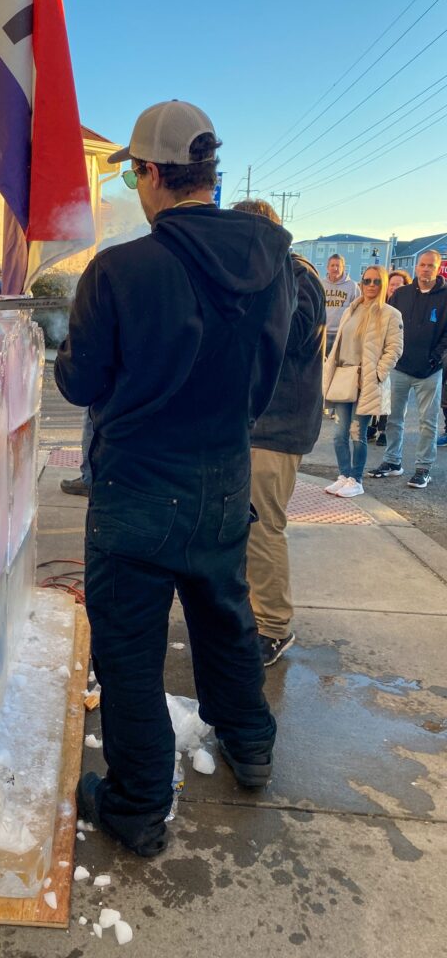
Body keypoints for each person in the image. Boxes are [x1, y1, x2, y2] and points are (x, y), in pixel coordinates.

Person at [55, 100, 295, 857]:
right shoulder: (272, 264)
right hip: (222, 479)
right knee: (225, 622)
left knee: (128, 654)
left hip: (135, 496)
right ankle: (251, 746)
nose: (133, 183)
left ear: (154, 175)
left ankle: (136, 807)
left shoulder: (120, 270)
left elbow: (82, 383)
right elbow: (262, 383)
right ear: (210, 175)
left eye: (132, 171)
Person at [233, 199, 325, 668]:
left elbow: (291, 332)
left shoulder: (296, 276)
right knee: (246, 526)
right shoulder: (274, 275)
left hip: (277, 426)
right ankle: (254, 614)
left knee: (263, 527)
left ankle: (272, 626)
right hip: (257, 423)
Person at [323, 266, 403, 497]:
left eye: (376, 281)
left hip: (366, 380)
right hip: (343, 376)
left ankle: (356, 479)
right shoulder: (352, 309)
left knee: (359, 432)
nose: (370, 285)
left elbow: (394, 349)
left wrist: (378, 374)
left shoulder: (390, 314)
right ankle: (344, 474)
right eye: (366, 280)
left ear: (383, 284)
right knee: (339, 433)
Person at [370, 249, 447, 488]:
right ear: (416, 267)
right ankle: (393, 462)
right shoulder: (401, 294)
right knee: (393, 417)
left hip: (429, 372)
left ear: (437, 268)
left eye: (430, 266)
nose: (425, 269)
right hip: (400, 367)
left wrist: (436, 358)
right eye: (422, 265)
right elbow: (387, 326)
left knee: (428, 421)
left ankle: (423, 467)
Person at [367, 270, 412, 446]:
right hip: (377, 356)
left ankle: (384, 430)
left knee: (390, 397)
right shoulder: (379, 306)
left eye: (398, 285)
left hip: (399, 358)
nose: (394, 288)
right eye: (391, 284)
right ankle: (372, 425)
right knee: (374, 393)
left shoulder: (406, 307)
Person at [321, 254, 359, 356]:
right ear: (327, 267)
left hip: (342, 334)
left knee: (338, 366)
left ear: (343, 268)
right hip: (322, 333)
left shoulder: (352, 286)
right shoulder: (320, 284)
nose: (335, 268)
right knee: (322, 366)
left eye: (338, 266)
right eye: (332, 265)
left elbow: (358, 310)